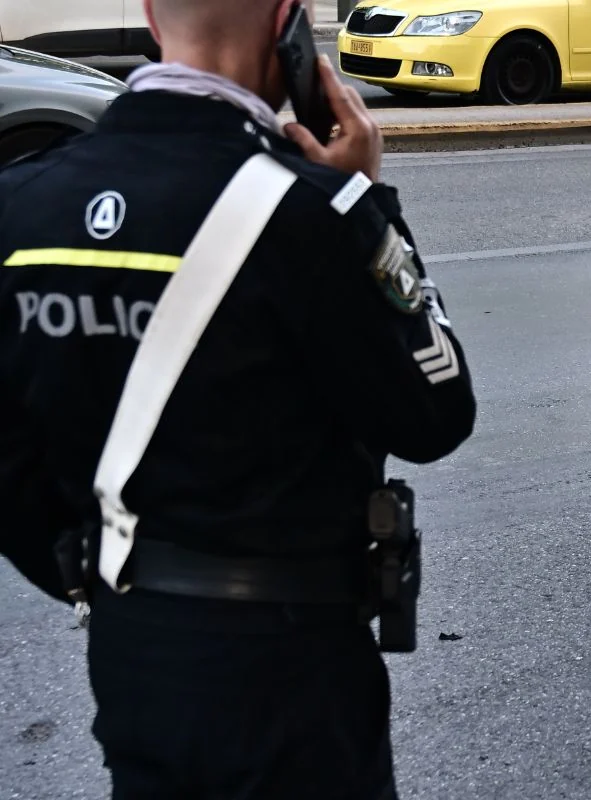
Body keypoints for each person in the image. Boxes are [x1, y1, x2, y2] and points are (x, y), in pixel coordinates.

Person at [0, 0, 476, 796]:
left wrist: (114, 580)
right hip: (294, 665)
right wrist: (368, 201)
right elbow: (436, 415)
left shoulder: (20, 201)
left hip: (133, 654)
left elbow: (9, 462)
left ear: (152, 16)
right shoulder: (317, 210)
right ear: (289, 25)